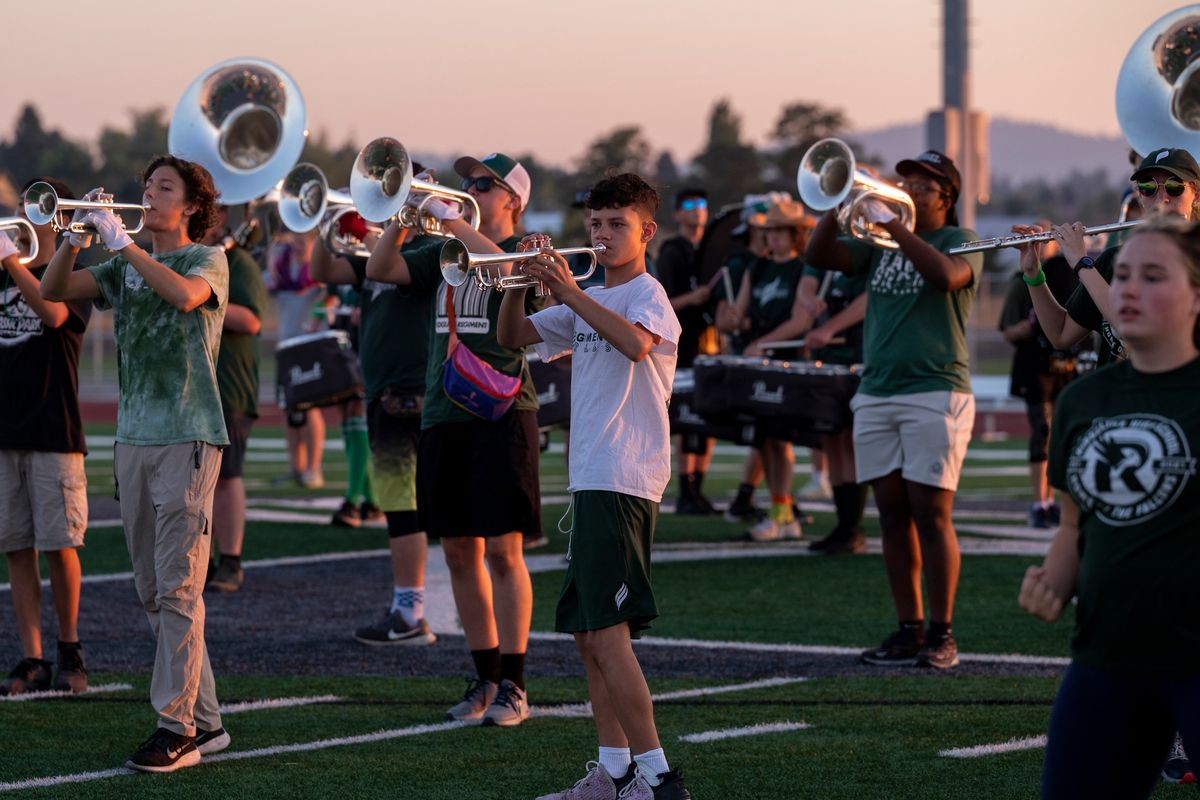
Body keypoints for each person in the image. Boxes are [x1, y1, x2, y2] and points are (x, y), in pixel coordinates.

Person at [499, 172, 691, 800]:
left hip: (624, 476)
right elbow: (511, 337)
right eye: (596, 224)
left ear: (646, 232)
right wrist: (519, 282)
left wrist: (565, 289)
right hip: (590, 478)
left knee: (608, 636)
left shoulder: (647, 294)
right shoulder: (582, 296)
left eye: (616, 225)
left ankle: (659, 778)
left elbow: (636, 345)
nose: (602, 235)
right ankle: (613, 771)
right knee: (588, 636)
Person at [40, 155, 230, 772]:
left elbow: (181, 298)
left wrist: (122, 242)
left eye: (163, 188)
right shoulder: (123, 262)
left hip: (188, 433)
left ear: (192, 207)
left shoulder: (208, 259)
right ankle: (207, 722)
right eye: (146, 187)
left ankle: (175, 728)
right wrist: (73, 240)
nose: (148, 196)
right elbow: (53, 291)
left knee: (177, 586)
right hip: (134, 438)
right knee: (153, 591)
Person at [1019, 215, 1200, 799]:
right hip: (1106, 658)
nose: (1127, 289)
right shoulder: (1081, 401)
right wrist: (1054, 578)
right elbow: (1075, 524)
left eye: (1153, 276)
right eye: (1121, 275)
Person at [366, 153, 540, 725]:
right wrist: (403, 217)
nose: (469, 190)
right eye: (466, 184)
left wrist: (453, 217)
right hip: (443, 411)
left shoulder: (524, 248)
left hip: (503, 410)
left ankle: (515, 683)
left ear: (512, 199)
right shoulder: (445, 251)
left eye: (482, 185)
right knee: (460, 552)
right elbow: (381, 269)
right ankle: (485, 676)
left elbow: (506, 269)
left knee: (504, 552)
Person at [806, 150, 983, 670]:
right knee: (891, 513)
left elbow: (947, 278)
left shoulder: (961, 239)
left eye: (921, 187)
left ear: (945, 197)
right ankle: (908, 628)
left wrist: (896, 227)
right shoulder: (877, 244)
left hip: (936, 389)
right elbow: (819, 256)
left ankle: (942, 632)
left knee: (932, 513)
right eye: (903, 182)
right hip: (878, 390)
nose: (907, 191)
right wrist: (837, 204)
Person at [310, 202, 436, 646]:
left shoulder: (433, 251)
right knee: (401, 506)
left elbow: (389, 265)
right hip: (385, 393)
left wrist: (377, 232)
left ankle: (409, 613)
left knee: (406, 508)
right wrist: (326, 226)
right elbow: (322, 268)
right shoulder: (381, 252)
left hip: (411, 391)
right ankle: (410, 609)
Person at [0, 177, 91, 695]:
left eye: (35, 206)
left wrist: (13, 264)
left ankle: (69, 647)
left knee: (60, 545)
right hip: (6, 428)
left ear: (59, 217)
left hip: (54, 427)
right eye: (20, 206)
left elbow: (53, 314)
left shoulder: (71, 278)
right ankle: (31, 655)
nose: (23, 214)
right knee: (15, 546)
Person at [1019, 148, 1200, 366]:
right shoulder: (1114, 259)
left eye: (1174, 187)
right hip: (1115, 396)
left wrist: (1082, 263)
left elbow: (1134, 328)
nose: (1162, 199)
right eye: (1148, 188)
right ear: (1140, 197)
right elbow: (1060, 334)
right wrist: (1033, 274)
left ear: (1196, 194)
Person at [736, 200, 813, 541]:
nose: (773, 237)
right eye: (770, 231)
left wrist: (764, 341)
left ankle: (783, 514)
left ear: (795, 234)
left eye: (780, 231)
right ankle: (781, 511)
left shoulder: (804, 269)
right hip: (757, 359)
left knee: (779, 440)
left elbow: (800, 320)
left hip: (785, 360)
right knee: (765, 439)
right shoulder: (757, 269)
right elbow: (738, 313)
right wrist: (727, 316)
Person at [997, 228, 1082, 529]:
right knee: (1042, 432)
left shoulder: (1071, 273)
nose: (1043, 248)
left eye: (1047, 242)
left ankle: (1061, 505)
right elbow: (1008, 330)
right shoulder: (1019, 282)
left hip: (1067, 367)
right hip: (1035, 366)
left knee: (1065, 436)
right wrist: (1033, 324)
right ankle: (1040, 503)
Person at [201, 206, 267, 593]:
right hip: (193, 383)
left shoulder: (237, 260)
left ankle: (231, 560)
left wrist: (197, 293)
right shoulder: (189, 255)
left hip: (229, 384)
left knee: (227, 476)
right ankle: (202, 559)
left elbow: (252, 319)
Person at [800, 265, 870, 554]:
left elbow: (869, 299)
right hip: (828, 360)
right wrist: (809, 301)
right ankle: (844, 525)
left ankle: (852, 527)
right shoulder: (827, 252)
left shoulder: (869, 251)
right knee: (833, 439)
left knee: (850, 442)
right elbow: (806, 283)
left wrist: (829, 327)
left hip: (856, 358)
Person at [653, 188, 715, 515]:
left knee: (708, 418)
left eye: (702, 205)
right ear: (677, 214)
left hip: (710, 344)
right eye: (689, 205)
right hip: (682, 345)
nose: (697, 210)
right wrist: (695, 298)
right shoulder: (671, 251)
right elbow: (664, 303)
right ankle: (686, 487)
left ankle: (699, 487)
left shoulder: (711, 249)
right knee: (687, 417)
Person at [267, 229, 326, 489]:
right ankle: (297, 467)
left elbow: (329, 289)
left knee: (309, 406)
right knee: (289, 407)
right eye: (296, 238)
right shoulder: (281, 262)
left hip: (309, 345)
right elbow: (267, 282)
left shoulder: (318, 267)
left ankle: (313, 469)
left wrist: (315, 314)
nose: (299, 244)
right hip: (286, 343)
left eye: (305, 240)